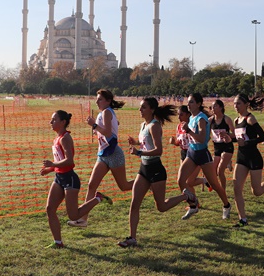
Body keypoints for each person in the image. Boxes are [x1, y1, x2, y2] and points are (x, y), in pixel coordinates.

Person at [118, 98, 191, 248]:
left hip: (156, 169)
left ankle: (186, 196)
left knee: (161, 207)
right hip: (144, 169)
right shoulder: (143, 125)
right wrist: (136, 142)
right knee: (134, 203)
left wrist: (139, 152)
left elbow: (159, 150)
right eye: (140, 107)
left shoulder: (155, 126)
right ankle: (132, 237)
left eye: (143, 107)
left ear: (151, 109)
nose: (140, 110)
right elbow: (146, 142)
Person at [41, 110, 112, 248]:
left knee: (73, 216)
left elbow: (69, 161)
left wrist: (53, 164)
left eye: (54, 119)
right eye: (51, 119)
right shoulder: (57, 138)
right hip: (59, 178)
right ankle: (58, 242)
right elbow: (60, 161)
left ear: (63, 122)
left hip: (70, 179)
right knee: (50, 209)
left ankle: (98, 198)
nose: (51, 122)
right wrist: (50, 169)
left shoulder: (65, 138)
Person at [69, 89, 134, 228]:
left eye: (99, 99)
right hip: (103, 154)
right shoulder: (104, 113)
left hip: (114, 154)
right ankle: (83, 219)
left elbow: (108, 133)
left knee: (124, 186)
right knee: (92, 185)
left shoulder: (106, 112)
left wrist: (94, 125)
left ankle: (146, 183)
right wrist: (97, 127)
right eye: (97, 99)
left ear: (108, 101)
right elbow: (108, 129)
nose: (96, 101)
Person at [176, 93, 232, 220]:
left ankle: (226, 205)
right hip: (191, 152)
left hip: (202, 154)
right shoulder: (191, 118)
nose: (188, 105)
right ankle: (193, 205)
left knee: (215, 184)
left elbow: (202, 139)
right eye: (188, 102)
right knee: (181, 180)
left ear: (199, 104)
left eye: (191, 102)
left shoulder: (201, 118)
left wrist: (189, 131)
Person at [231, 94, 264, 228]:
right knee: (236, 188)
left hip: (254, 158)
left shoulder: (250, 119)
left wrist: (247, 142)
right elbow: (239, 139)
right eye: (235, 104)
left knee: (257, 192)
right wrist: (229, 139)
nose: (235, 106)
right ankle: (243, 219)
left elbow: (262, 137)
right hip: (241, 158)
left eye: (238, 104)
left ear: (246, 105)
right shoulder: (236, 120)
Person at [169, 105, 206, 192]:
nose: (179, 117)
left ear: (188, 115)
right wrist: (174, 142)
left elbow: (200, 139)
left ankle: (206, 180)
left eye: (181, 114)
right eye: (178, 115)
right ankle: (194, 203)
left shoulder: (193, 125)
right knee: (184, 182)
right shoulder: (179, 126)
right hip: (183, 154)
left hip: (194, 154)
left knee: (189, 181)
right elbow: (179, 142)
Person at [209, 100, 235, 192]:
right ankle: (228, 163)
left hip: (227, 146)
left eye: (215, 106)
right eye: (212, 107)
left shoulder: (226, 119)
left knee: (220, 171)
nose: (212, 108)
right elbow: (206, 135)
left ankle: (222, 190)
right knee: (213, 171)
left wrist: (227, 134)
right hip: (217, 147)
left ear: (221, 107)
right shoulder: (210, 120)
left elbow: (235, 134)